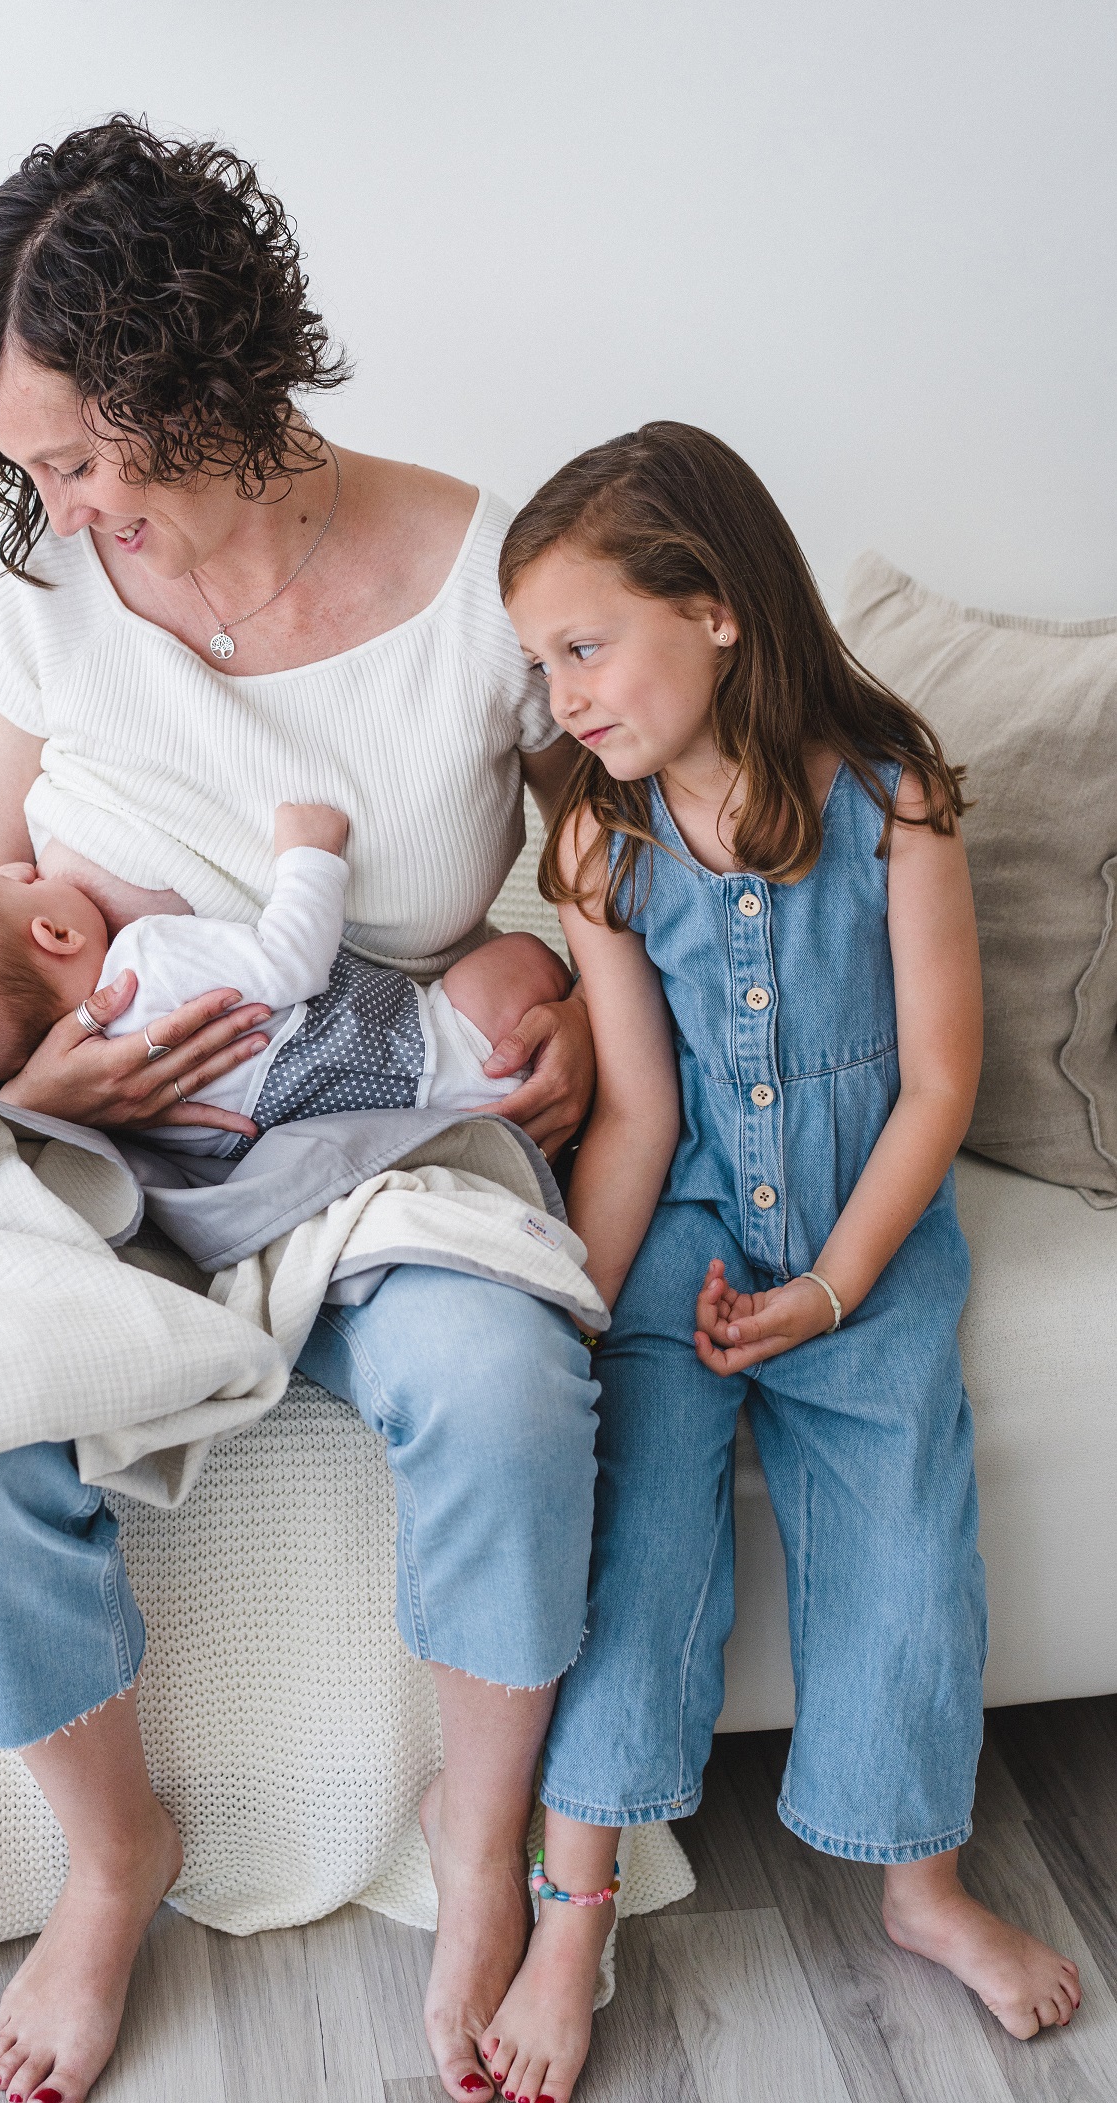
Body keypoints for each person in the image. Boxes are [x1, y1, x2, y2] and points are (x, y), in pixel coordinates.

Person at [0, 117, 596, 2103]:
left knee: (502, 1388)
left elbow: (599, 891)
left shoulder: (488, 578)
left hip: (377, 1129)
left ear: (216, 374)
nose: (66, 501)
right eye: (33, 461)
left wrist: (535, 980)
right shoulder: (39, 587)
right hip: (102, 1131)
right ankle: (112, 1855)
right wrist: (40, 1074)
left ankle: (478, 1857)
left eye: (91, 451)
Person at [479, 422, 1081, 2103]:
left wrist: (831, 1285)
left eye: (585, 644)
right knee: (643, 1530)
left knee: (904, 1528)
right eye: (541, 662)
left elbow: (939, 1080)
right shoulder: (604, 844)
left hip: (862, 1232)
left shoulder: (893, 795)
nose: (565, 693)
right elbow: (641, 1112)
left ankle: (924, 1885)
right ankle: (569, 1904)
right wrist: (584, 1310)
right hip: (683, 1237)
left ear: (718, 605)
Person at [0, 799, 569, 1140]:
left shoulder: (103, 1106)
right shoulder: (144, 958)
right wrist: (309, 858)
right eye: (17, 883)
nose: (22, 865)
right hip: (444, 1053)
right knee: (528, 959)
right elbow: (289, 960)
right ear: (52, 933)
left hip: (390, 1138)